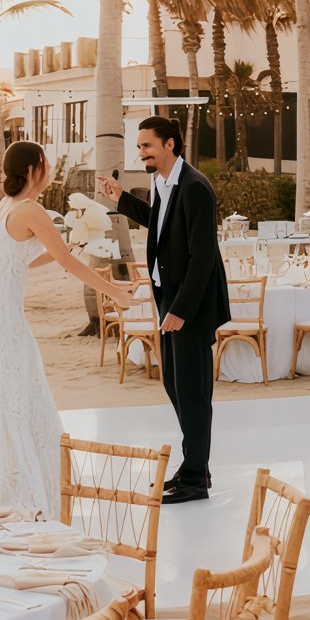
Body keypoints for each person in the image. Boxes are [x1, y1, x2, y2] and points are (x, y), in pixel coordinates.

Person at [0, 141, 135, 518]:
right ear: (32, 171)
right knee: (18, 388)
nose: (48, 170)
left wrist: (72, 243)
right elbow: (65, 264)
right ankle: (20, 487)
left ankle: (11, 472)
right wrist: (113, 292)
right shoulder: (30, 209)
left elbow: (28, 260)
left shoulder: (7, 207)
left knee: (16, 388)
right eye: (44, 164)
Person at [99, 116, 230, 504]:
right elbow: (158, 224)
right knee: (175, 385)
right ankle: (196, 466)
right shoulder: (163, 182)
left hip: (189, 306)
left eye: (147, 146)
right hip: (168, 300)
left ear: (170, 144)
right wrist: (121, 198)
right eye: (139, 147)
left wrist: (181, 310)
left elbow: (203, 256)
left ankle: (194, 478)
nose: (142, 153)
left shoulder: (195, 188)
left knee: (192, 391)